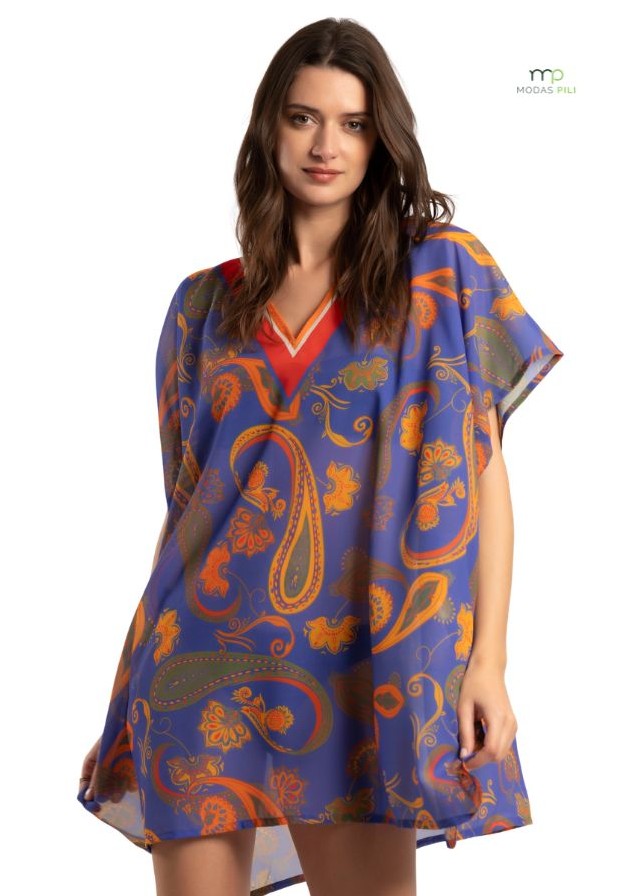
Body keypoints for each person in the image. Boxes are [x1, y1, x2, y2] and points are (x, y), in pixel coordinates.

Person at [78, 17, 563, 896]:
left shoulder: (441, 275)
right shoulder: (199, 309)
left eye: (352, 123)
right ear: (270, 128)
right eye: (303, 118)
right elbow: (187, 513)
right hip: (196, 674)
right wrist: (127, 697)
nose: (325, 145)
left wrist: (487, 662)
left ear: (382, 139)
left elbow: (484, 479)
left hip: (361, 675)